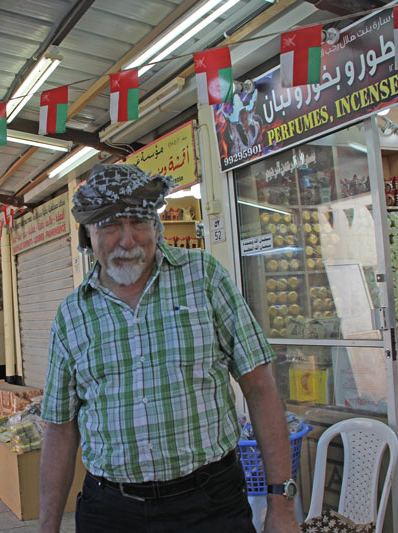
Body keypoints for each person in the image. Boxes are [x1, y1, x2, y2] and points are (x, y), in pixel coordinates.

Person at [39, 164, 300, 533]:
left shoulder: (204, 278)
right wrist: (47, 527)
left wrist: (282, 505)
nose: (128, 240)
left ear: (157, 226)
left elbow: (259, 386)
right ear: (88, 234)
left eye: (139, 222)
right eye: (111, 226)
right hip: (111, 512)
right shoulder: (72, 314)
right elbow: (61, 430)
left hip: (209, 506)